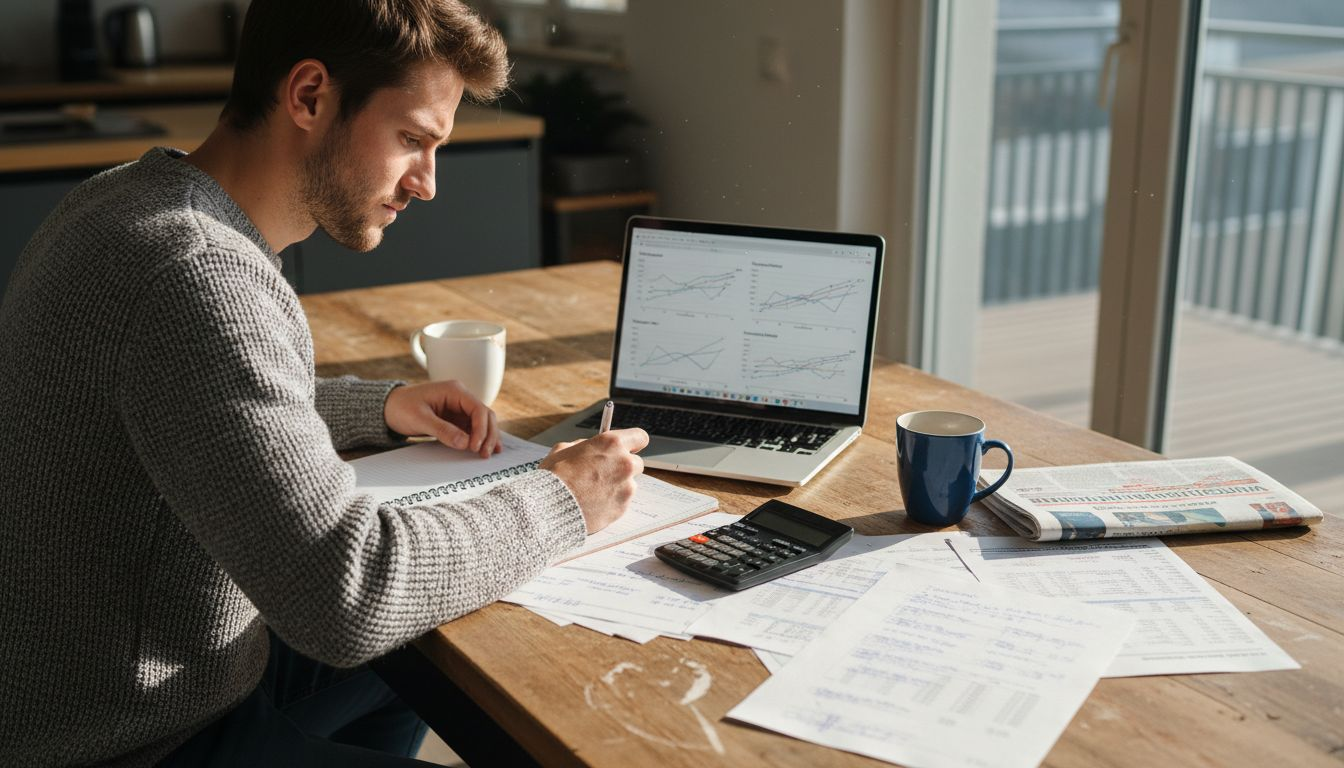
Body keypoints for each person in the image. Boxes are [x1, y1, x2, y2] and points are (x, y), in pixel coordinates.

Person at [0, 1, 648, 765]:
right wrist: (561, 499)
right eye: (413, 139)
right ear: (309, 96)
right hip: (132, 737)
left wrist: (377, 405)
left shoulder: (133, 201)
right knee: (403, 623)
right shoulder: (196, 272)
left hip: (143, 680)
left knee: (419, 643)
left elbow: (186, 398)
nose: (428, 183)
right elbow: (349, 595)